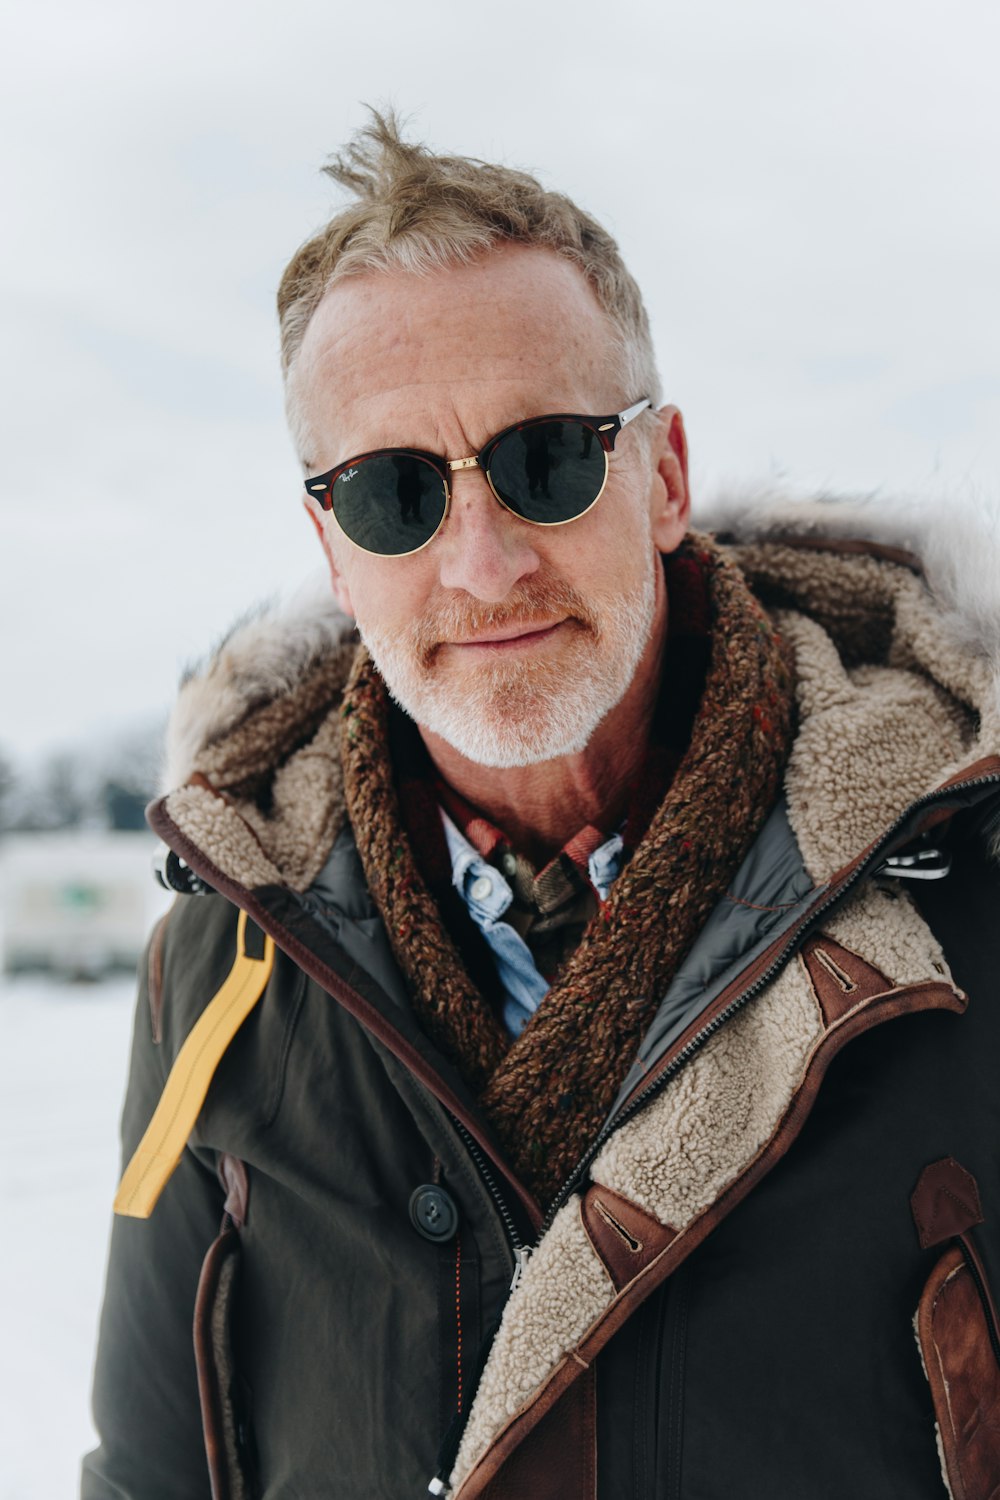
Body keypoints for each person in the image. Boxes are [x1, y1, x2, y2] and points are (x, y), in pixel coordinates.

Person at [83, 112, 1000, 1500]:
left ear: (665, 474)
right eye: (395, 493)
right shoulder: (222, 961)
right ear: (331, 551)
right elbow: (152, 1467)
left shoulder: (967, 882)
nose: (485, 558)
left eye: (549, 458)